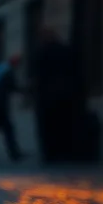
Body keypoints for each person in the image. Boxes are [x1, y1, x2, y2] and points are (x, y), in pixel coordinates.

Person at [30, 27, 77, 163]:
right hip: (64, 95)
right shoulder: (65, 50)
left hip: (46, 96)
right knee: (61, 126)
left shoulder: (41, 52)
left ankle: (49, 155)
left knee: (47, 127)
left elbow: (37, 75)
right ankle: (62, 153)